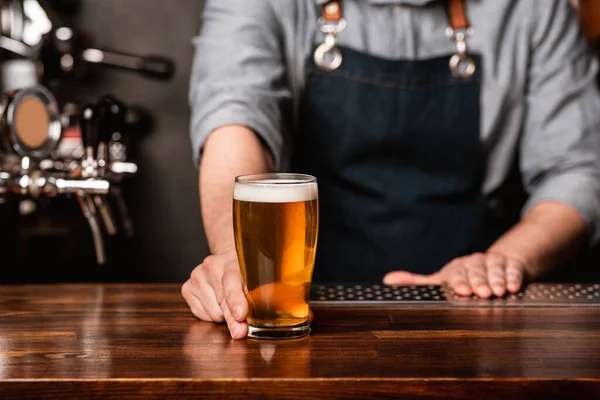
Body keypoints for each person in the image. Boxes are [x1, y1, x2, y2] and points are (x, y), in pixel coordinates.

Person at [182, 0, 600, 339]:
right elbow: (233, 121)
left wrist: (503, 262)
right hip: (313, 314)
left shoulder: (538, 9)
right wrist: (234, 258)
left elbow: (578, 171)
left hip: (480, 315)